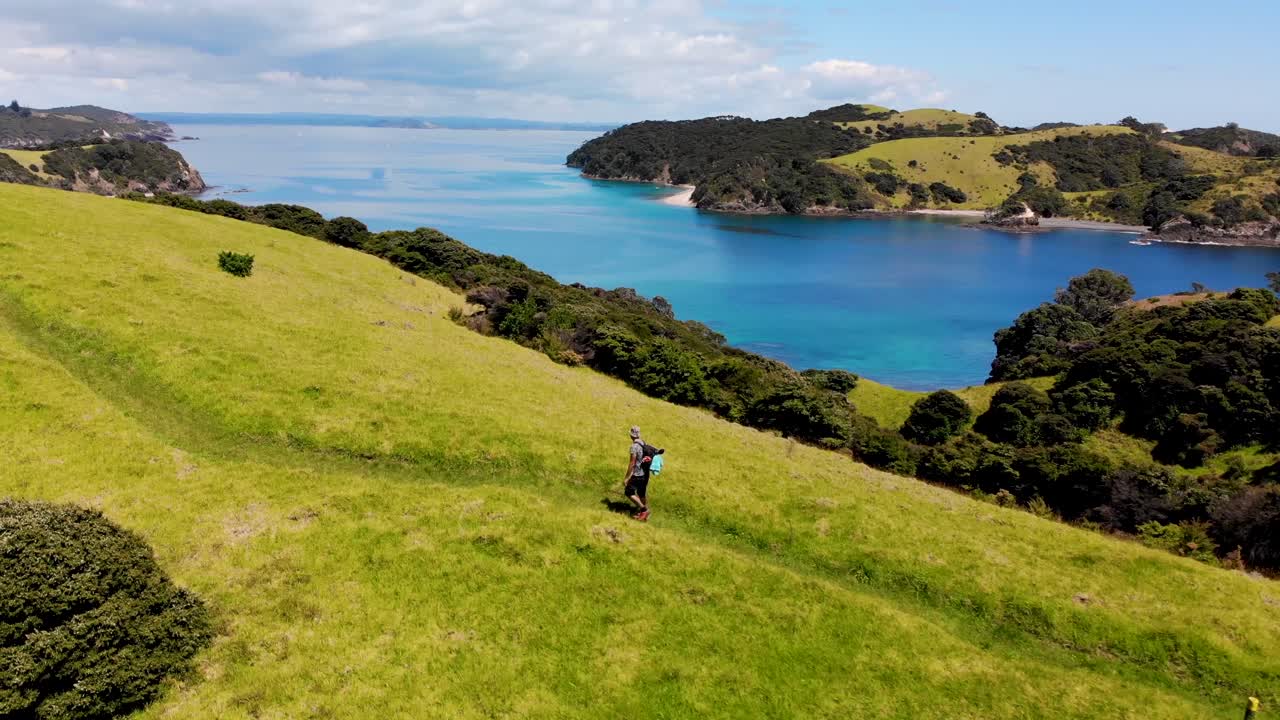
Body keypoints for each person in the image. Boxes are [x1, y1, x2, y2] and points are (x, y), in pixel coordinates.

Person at [624, 425, 659, 521]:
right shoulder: (644, 444)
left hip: (638, 474)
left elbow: (632, 463)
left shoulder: (634, 447)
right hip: (645, 474)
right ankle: (643, 514)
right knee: (641, 493)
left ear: (631, 435)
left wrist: (627, 477)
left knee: (628, 492)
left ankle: (644, 510)